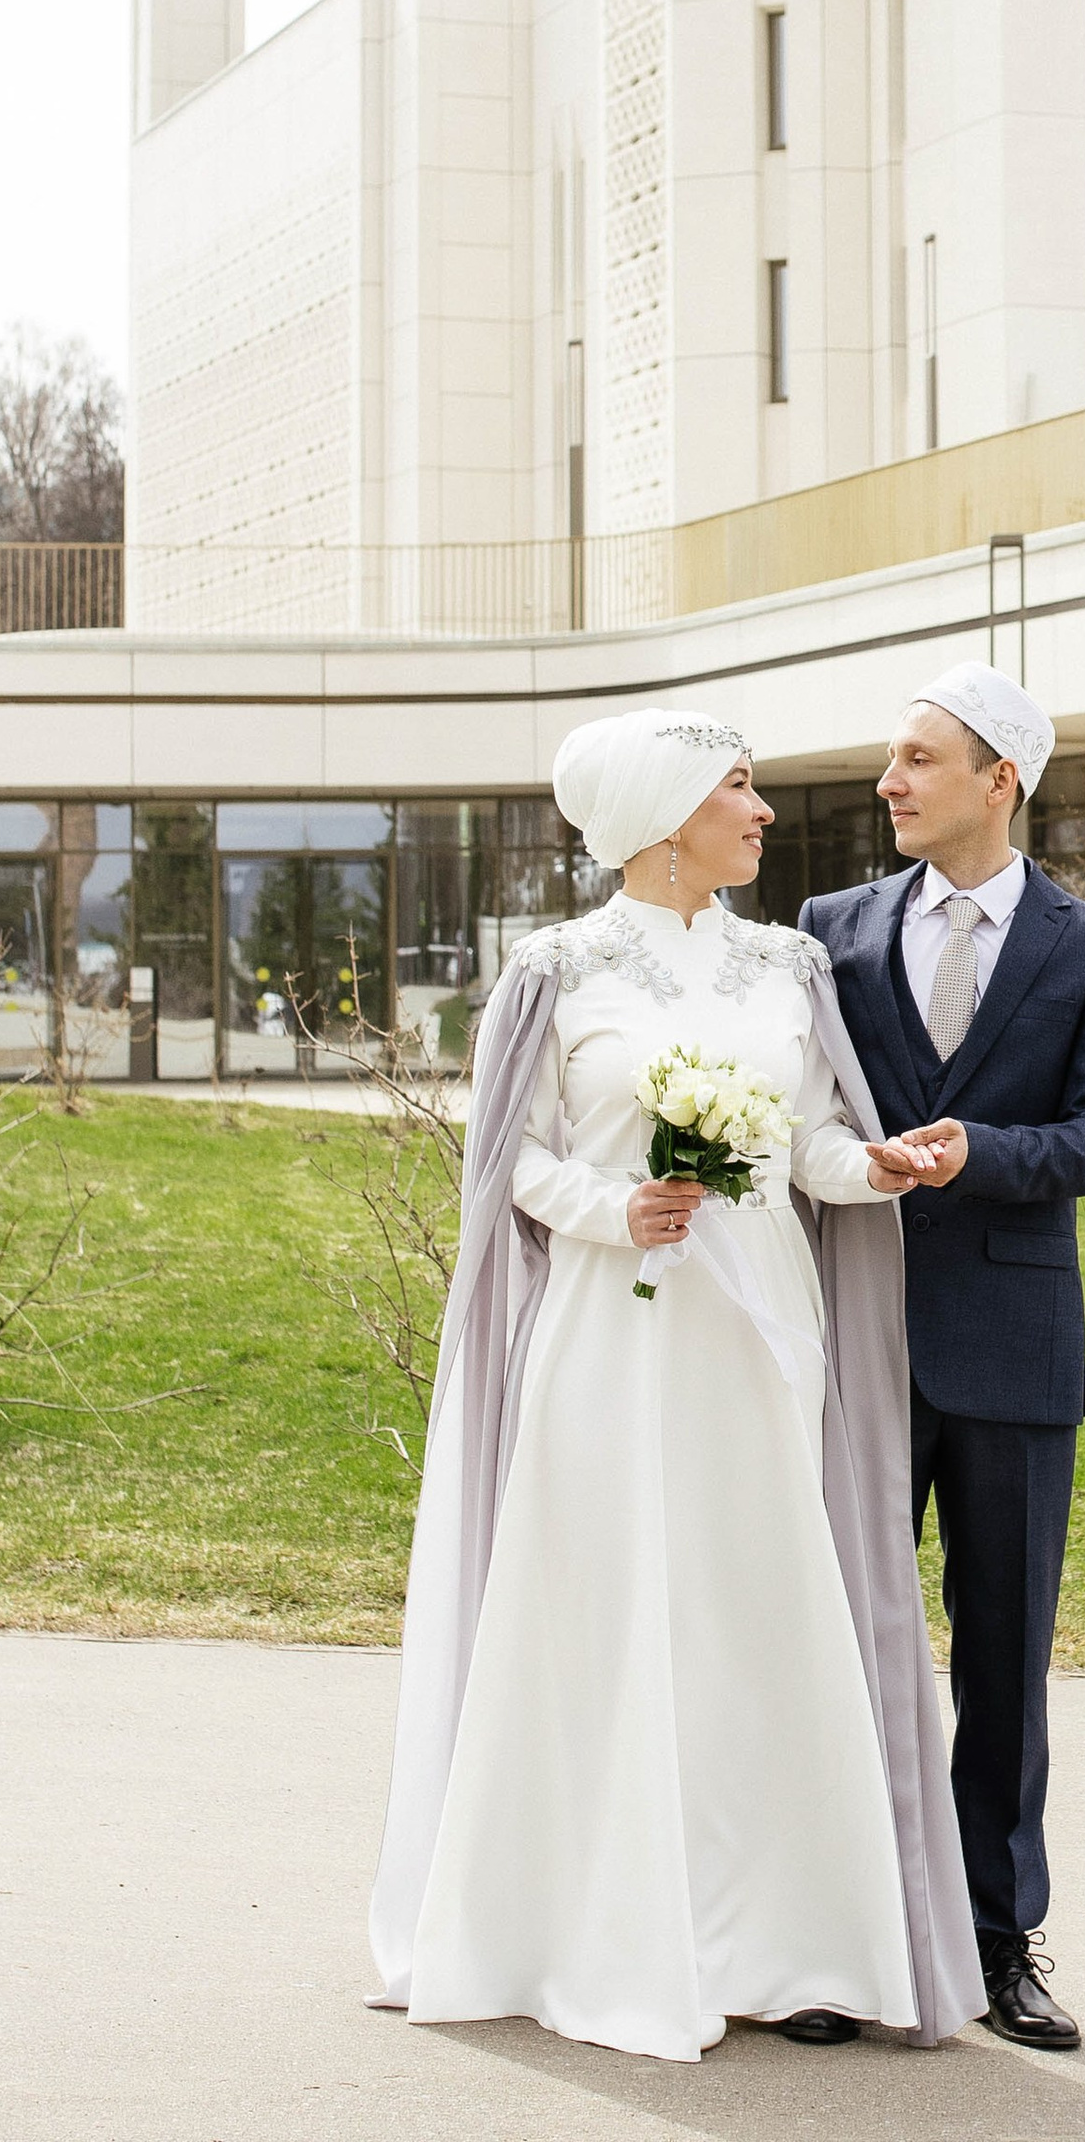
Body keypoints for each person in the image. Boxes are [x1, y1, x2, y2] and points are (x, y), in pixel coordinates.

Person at [368, 708, 982, 2063]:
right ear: (666, 812)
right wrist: (608, 1206)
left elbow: (814, 1135)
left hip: (762, 1338)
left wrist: (869, 1167)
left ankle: (796, 1941)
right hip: (614, 1336)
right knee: (619, 1609)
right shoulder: (554, 970)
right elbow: (509, 1163)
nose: (763, 812)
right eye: (740, 787)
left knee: (759, 1610)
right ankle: (597, 1927)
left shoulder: (790, 964)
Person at [800, 662, 1085, 2054]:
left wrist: (981, 1152)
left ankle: (1002, 1943)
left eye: (916, 758)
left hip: (1012, 1348)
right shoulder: (828, 928)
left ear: (999, 777)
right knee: (846, 1651)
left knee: (1005, 1657)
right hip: (860, 1347)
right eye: (891, 759)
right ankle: (837, 1937)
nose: (888, 781)